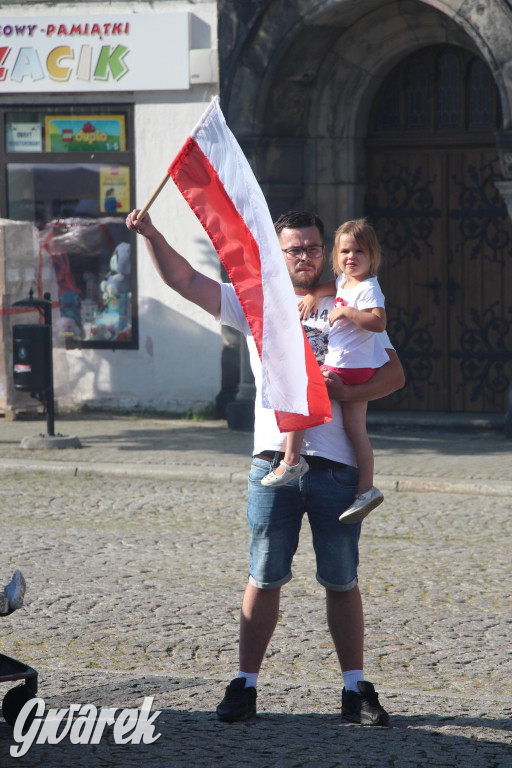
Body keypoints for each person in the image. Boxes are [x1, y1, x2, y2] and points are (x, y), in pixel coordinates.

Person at [126, 208, 404, 726]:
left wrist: (349, 392)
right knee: (264, 575)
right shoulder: (255, 301)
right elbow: (186, 280)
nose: (306, 256)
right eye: (295, 249)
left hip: (336, 464)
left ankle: (355, 689)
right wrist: (151, 234)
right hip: (274, 461)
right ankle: (245, 685)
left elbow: (394, 374)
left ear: (326, 251)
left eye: (314, 247)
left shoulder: (348, 299)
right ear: (279, 255)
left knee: (342, 580)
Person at [261, 218, 387, 525]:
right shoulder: (346, 282)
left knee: (303, 383)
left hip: (348, 367)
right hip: (353, 366)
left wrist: (347, 312)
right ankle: (366, 489)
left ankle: (291, 460)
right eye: (344, 252)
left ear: (372, 256)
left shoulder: (369, 287)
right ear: (336, 257)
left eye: (359, 251)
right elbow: (332, 286)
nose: (350, 257)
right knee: (356, 430)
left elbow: (379, 322)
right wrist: (315, 295)